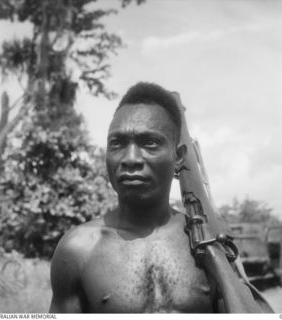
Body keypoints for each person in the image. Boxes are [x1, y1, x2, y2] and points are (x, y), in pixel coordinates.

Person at [49, 82, 219, 313]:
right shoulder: (78, 250)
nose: (130, 159)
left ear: (178, 157)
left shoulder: (207, 241)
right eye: (117, 143)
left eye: (149, 143)